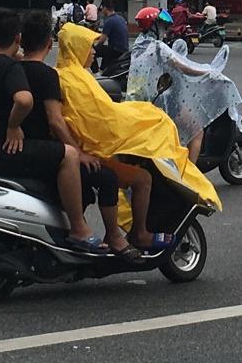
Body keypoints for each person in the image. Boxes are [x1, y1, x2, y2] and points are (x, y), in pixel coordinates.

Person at [55, 21, 220, 251]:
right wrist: (140, 119)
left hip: (102, 137)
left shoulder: (75, 75)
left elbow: (100, 113)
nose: (93, 51)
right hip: (96, 149)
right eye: (89, 46)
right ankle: (139, 234)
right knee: (143, 178)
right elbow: (98, 120)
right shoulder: (73, 79)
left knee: (154, 121)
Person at [0, 9, 103, 254]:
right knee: (69, 155)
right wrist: (13, 125)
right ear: (17, 38)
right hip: (6, 149)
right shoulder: (10, 67)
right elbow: (24, 100)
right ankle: (79, 228)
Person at [18, 12, 134, 254]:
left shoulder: (14, 70)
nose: (92, 52)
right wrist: (79, 152)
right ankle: (106, 234)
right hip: (45, 150)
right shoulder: (50, 75)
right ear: (49, 43)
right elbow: (57, 121)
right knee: (107, 178)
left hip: (21, 146)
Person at [127, 6, 242, 159]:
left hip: (139, 103)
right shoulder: (157, 47)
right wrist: (207, 72)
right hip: (157, 104)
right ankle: (189, 172)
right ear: (152, 26)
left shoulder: (138, 46)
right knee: (197, 131)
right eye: (161, 26)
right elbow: (183, 67)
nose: (163, 30)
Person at [95, 0, 130, 75]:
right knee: (105, 49)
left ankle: (95, 72)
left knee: (92, 51)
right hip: (124, 49)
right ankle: (103, 68)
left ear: (105, 8)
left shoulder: (109, 21)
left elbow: (102, 40)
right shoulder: (121, 18)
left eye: (102, 8)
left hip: (115, 50)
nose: (102, 11)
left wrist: (95, 45)